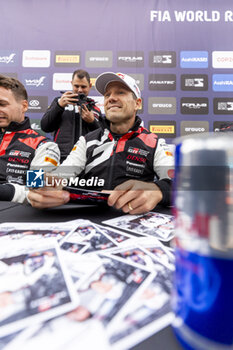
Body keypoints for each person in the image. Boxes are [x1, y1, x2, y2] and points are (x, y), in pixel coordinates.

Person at [28, 72, 174, 214]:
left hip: (133, 220)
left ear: (137, 103)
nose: (111, 98)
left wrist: (158, 191)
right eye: (107, 95)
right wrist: (41, 185)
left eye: (121, 93)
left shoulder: (154, 142)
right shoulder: (87, 140)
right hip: (89, 221)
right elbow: (61, 175)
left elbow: (180, 184)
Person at [0, 75, 60, 202]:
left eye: (2, 104)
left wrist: (7, 191)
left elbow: (37, 191)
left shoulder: (44, 146)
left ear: (24, 106)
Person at [41, 69, 102, 162]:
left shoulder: (95, 109)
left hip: (85, 159)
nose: (80, 90)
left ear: (90, 86)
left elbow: (103, 137)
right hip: (61, 158)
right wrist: (59, 106)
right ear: (71, 84)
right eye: (76, 86)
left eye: (83, 86)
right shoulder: (59, 101)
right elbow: (45, 127)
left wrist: (92, 122)